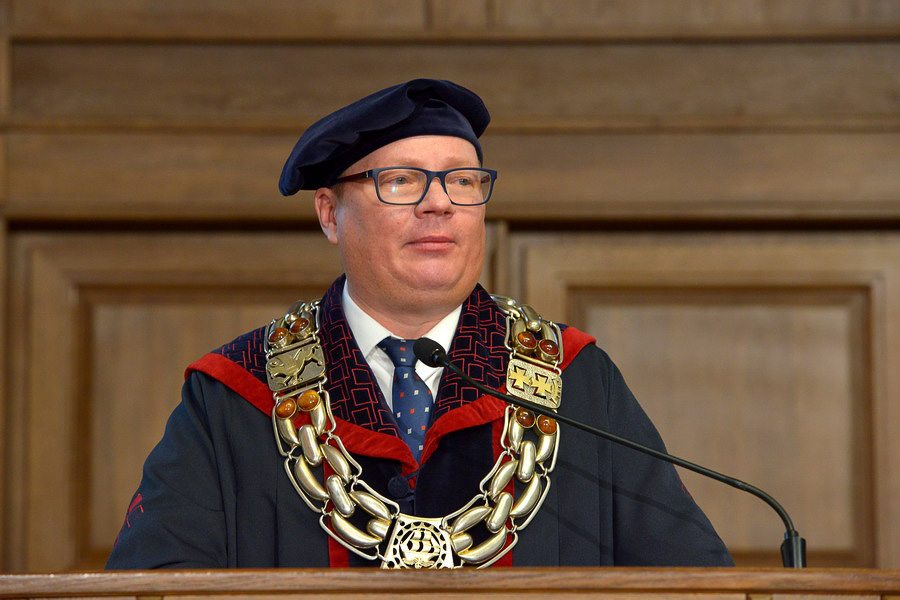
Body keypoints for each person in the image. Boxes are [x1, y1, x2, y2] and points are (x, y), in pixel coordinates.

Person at [106, 79, 733, 569]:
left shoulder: (574, 379)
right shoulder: (237, 393)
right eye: (401, 181)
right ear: (329, 214)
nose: (439, 203)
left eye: (463, 181)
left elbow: (689, 578)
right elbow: (155, 581)